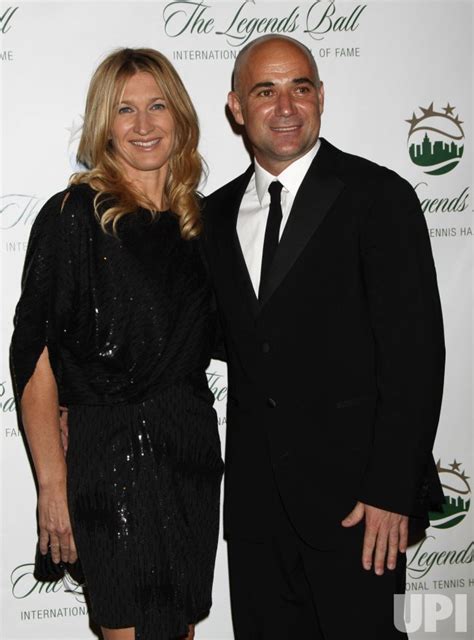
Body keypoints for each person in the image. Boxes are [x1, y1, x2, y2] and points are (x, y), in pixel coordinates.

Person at [203, 35, 445, 639]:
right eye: (266, 91)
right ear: (236, 107)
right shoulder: (211, 216)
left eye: (300, 87)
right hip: (257, 513)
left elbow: (415, 355)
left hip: (360, 509)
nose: (286, 106)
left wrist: (393, 490)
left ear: (320, 98)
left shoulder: (378, 195)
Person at [10, 48, 224, 640]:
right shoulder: (73, 216)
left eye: (157, 106)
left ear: (179, 116)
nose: (144, 124)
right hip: (110, 455)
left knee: (180, 628)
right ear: (104, 125)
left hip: (190, 446)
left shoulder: (200, 223)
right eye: (124, 110)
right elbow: (35, 361)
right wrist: (52, 487)